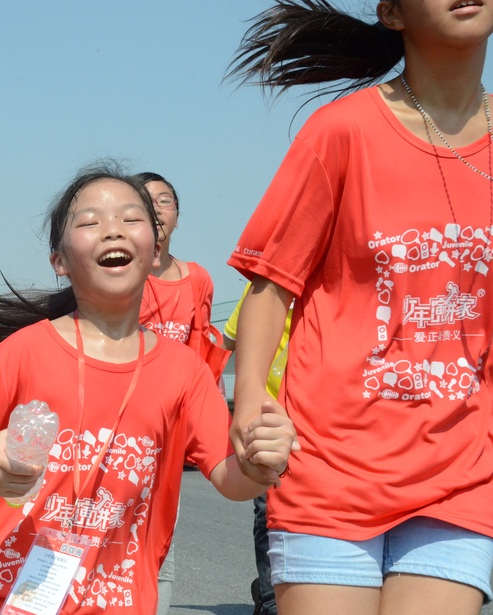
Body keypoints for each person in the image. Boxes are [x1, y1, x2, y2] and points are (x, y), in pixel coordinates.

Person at [0, 163, 297, 615]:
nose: (112, 231)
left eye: (131, 219)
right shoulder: (23, 351)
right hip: (7, 598)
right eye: (89, 222)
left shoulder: (185, 370)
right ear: (59, 262)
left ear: (154, 245)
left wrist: (262, 465)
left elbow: (230, 477)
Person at [227, 2, 493, 614]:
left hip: (460, 473)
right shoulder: (342, 130)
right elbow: (272, 283)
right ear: (393, 13)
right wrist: (249, 406)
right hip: (330, 466)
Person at [132, 171, 229, 615]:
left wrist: (212, 423)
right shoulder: (116, 275)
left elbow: (202, 354)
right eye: (144, 201)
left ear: (177, 217)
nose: (156, 208)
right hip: (120, 423)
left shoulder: (197, 280)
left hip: (170, 432)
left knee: (158, 547)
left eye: (165, 201)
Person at [222, 282, 291, 615]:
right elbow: (230, 340)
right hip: (268, 420)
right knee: (268, 512)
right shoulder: (262, 288)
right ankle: (269, 598)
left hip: (318, 421)